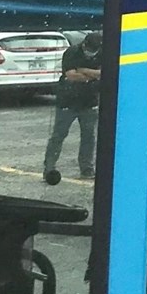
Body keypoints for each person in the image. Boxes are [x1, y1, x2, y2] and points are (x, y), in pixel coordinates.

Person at [44, 31, 101, 183]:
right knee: (59, 135)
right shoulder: (72, 52)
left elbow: (106, 73)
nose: (91, 53)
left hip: (89, 101)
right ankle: (49, 168)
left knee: (89, 136)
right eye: (89, 50)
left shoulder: (102, 52)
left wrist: (83, 70)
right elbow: (71, 75)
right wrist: (93, 75)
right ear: (84, 45)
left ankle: (87, 168)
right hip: (67, 101)